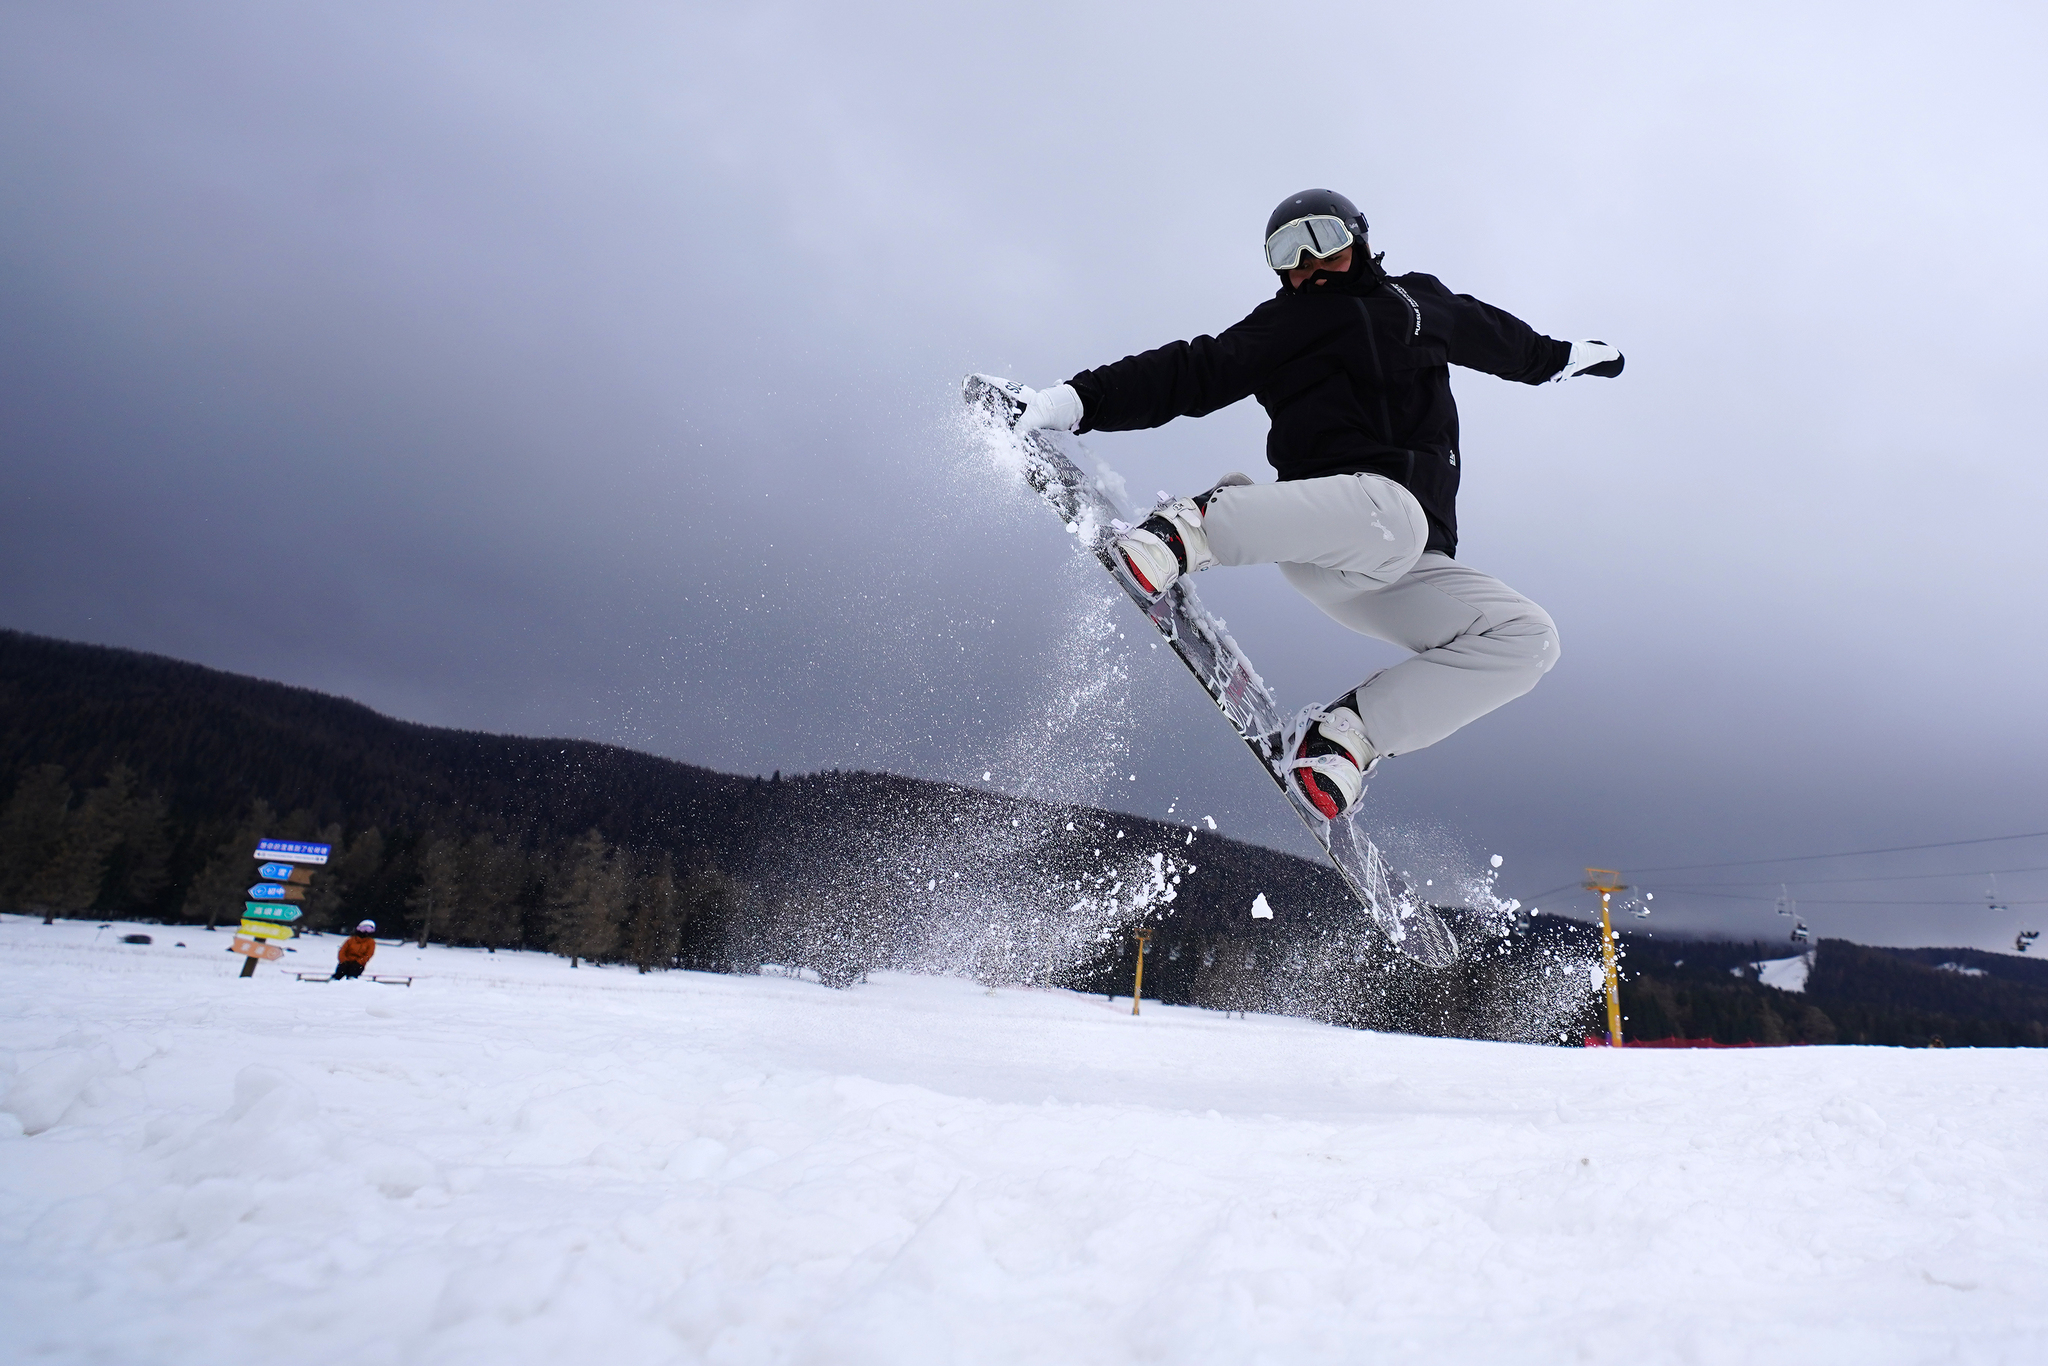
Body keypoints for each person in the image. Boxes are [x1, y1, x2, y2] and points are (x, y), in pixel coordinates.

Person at [1002, 188, 1623, 821]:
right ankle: (1194, 530)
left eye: (1319, 238)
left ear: (1356, 236)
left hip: (1398, 562)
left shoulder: (1418, 302)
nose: (1306, 262)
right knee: (1396, 516)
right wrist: (1065, 403)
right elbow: (1190, 372)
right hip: (1329, 528)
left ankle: (1346, 738)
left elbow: (1499, 338)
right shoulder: (1289, 323)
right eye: (1286, 252)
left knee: (1528, 637)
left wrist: (1563, 360)